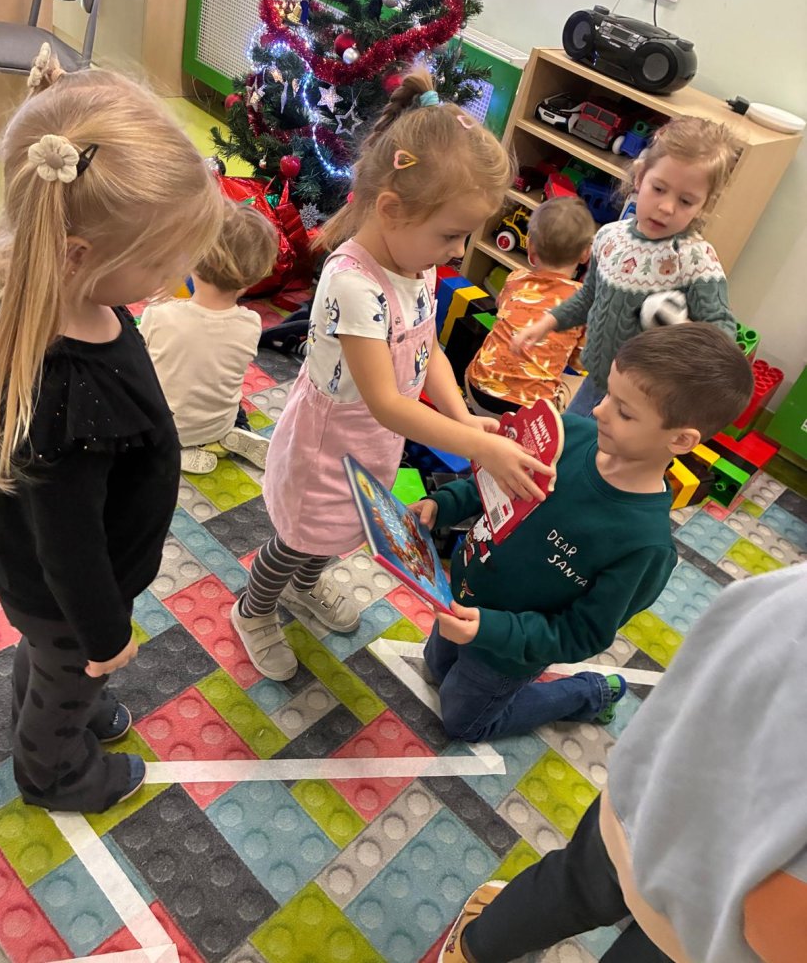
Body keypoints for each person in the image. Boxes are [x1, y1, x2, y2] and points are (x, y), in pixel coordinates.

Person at [230, 69, 551, 682]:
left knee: (340, 532)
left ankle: (304, 586)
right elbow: (385, 401)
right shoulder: (353, 283)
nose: (457, 252)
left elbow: (427, 349)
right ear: (391, 210)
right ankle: (254, 607)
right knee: (300, 536)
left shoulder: (415, 262)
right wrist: (478, 446)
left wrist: (464, 418)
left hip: (372, 443)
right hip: (329, 444)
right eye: (451, 235)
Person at [0, 49, 224, 813]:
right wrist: (103, 634)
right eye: (161, 261)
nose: (178, 275)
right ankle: (53, 773)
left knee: (51, 663)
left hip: (53, 589)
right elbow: (68, 545)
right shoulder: (66, 395)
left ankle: (68, 694)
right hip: (66, 597)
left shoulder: (78, 301)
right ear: (79, 255)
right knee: (64, 667)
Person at [439, 562, 807, 963]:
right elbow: (778, 923)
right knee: (574, 890)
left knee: (568, 886)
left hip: (645, 802)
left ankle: (472, 948)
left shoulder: (789, 584)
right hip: (707, 919)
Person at [414, 324, 753, 743]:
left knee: (464, 722)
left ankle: (588, 693)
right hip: (461, 593)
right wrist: (443, 505)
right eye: (607, 393)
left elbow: (582, 632)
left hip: (509, 653)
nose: (599, 411)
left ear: (681, 440)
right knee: (436, 666)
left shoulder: (644, 547)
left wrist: (491, 631)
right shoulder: (569, 435)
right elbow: (496, 483)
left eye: (624, 412)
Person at [515, 117, 739, 417]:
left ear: (705, 205)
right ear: (640, 176)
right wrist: (547, 323)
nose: (667, 207)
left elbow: (722, 336)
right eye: (658, 188)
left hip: (642, 404)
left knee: (603, 448)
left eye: (686, 201)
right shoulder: (609, 237)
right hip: (594, 381)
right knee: (571, 441)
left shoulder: (696, 260)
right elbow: (589, 296)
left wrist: (681, 328)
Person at [140, 200, 277, 474]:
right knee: (223, 391)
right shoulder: (251, 323)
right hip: (219, 420)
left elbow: (141, 367)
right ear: (251, 280)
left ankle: (180, 450)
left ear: (192, 262)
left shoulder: (159, 314)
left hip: (168, 426)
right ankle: (232, 431)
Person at [465, 197, 594, 416]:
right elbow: (580, 362)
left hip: (477, 392)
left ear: (530, 246)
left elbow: (501, 308)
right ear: (586, 254)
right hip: (529, 415)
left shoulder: (515, 279)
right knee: (586, 386)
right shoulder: (584, 301)